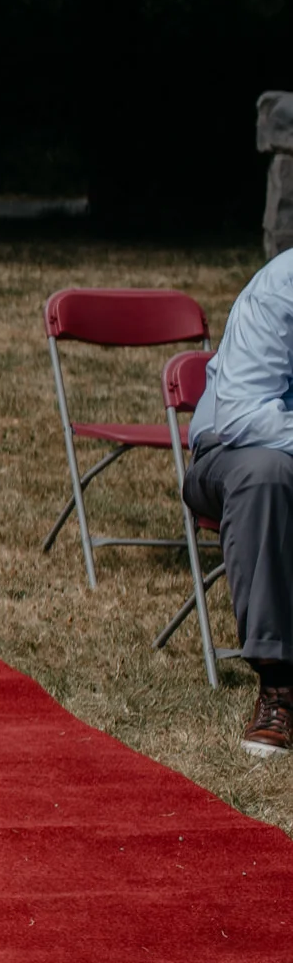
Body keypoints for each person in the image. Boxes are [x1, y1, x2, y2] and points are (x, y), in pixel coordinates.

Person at [181, 248, 292, 755]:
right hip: (234, 453)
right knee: (266, 474)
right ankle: (279, 686)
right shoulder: (278, 292)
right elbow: (243, 418)